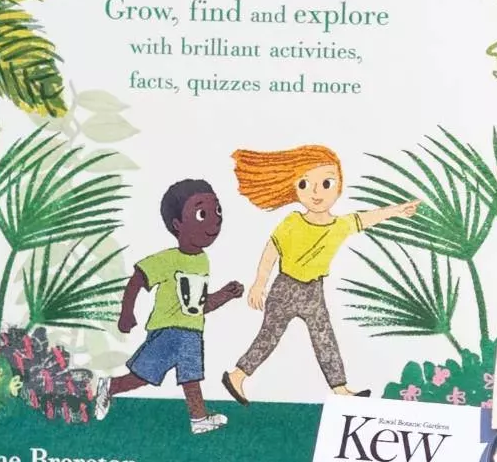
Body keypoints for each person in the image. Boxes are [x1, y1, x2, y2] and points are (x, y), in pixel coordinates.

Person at [223, 143, 421, 402]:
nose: (316, 193)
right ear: (295, 188)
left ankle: (340, 389)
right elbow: (272, 249)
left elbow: (368, 217)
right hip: (285, 287)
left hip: (313, 290)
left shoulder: (341, 225)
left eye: (326, 183)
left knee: (324, 336)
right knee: (269, 336)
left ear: (339, 186)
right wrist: (259, 284)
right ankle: (237, 376)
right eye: (305, 184)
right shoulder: (292, 221)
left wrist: (397, 211)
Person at [108, 178, 252, 432]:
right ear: (178, 225)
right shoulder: (168, 259)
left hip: (191, 330)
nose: (214, 220)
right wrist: (126, 312)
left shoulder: (202, 260)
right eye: (202, 213)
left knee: (190, 377)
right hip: (169, 331)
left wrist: (225, 295)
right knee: (143, 378)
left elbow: (199, 305)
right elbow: (137, 279)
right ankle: (108, 387)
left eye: (217, 210)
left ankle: (198, 420)